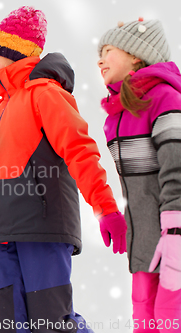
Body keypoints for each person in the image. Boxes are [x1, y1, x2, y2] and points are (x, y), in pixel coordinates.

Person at [0, 6, 128, 332]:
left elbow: (80, 151)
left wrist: (106, 209)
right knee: (3, 324)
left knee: (51, 324)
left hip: (41, 229)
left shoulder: (46, 94)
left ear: (12, 52)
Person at [98, 17, 181, 330]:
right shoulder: (118, 115)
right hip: (145, 243)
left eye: (108, 50)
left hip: (171, 238)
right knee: (144, 322)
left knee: (170, 320)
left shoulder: (165, 99)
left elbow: (177, 170)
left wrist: (175, 234)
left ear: (136, 55)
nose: (100, 59)